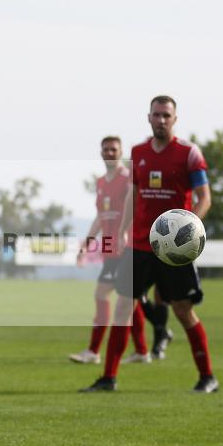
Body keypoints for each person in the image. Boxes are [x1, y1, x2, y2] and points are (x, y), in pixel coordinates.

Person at [81, 95, 218, 393]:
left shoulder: (189, 153)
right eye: (157, 115)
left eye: (167, 115)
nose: (161, 120)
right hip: (140, 245)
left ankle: (207, 376)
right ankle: (108, 378)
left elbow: (204, 197)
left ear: (175, 119)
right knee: (123, 308)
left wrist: (189, 227)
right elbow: (133, 193)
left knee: (182, 310)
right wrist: (124, 230)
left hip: (174, 249)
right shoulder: (138, 152)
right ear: (149, 117)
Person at [71, 136, 151, 365]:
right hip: (109, 249)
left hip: (124, 249)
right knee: (129, 299)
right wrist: (87, 243)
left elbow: (137, 207)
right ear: (100, 152)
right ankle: (142, 351)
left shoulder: (127, 179)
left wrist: (128, 235)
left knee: (102, 293)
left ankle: (93, 351)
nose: (109, 153)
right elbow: (100, 217)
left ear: (121, 152)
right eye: (106, 149)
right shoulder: (100, 182)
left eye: (113, 149)